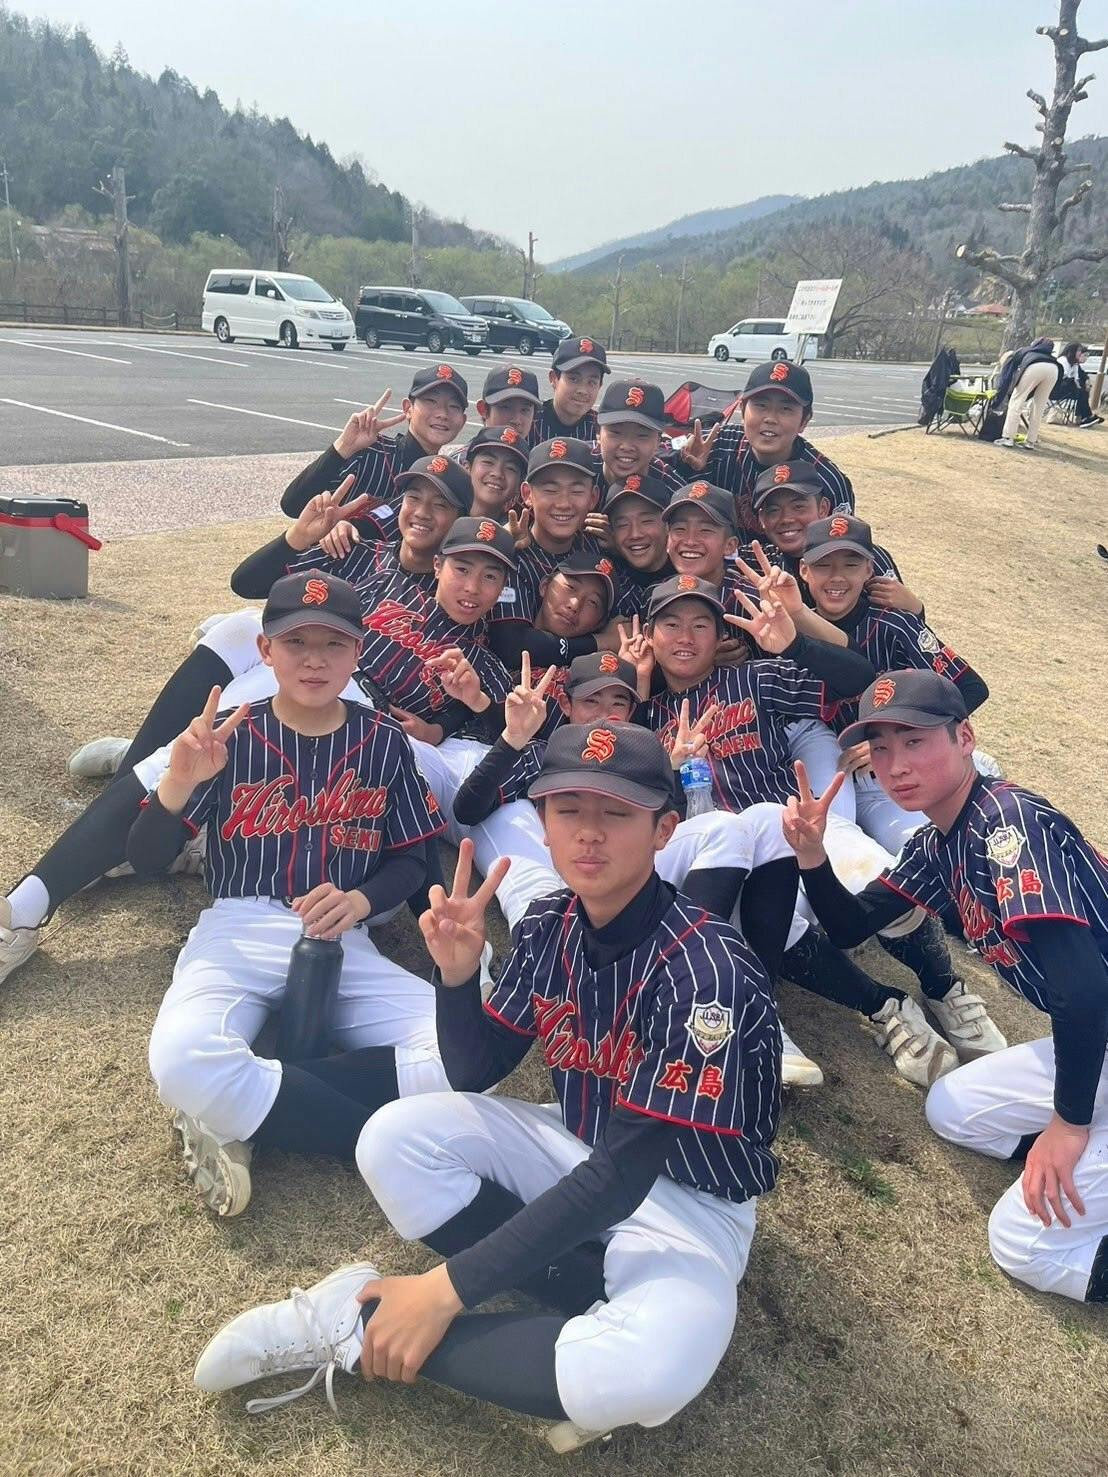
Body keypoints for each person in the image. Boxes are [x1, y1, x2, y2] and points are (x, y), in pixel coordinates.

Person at [193, 725, 783, 1451]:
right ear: (543, 823)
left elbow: (623, 1176)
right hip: (576, 1143)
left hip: (693, 1203)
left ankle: (353, 1322)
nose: (589, 831)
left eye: (617, 812)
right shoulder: (549, 924)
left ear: (665, 829)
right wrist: (457, 975)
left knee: (648, 1375)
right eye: (569, 809)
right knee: (390, 1138)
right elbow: (474, 1071)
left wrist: (443, 1290)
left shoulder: (707, 972)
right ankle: (585, 1301)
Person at [780, 669, 1108, 1305]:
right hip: (1098, 1036)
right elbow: (850, 926)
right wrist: (812, 856)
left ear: (965, 738)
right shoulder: (939, 842)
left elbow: (1084, 991)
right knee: (955, 1108)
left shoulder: (1009, 824)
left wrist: (1068, 1126)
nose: (896, 765)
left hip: (1096, 1016)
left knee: (1022, 1245)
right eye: (880, 749)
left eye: (915, 741)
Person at [131, 572, 448, 1216]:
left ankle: (237, 1108)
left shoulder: (384, 741)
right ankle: (342, 1129)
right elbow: (146, 858)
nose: (314, 660)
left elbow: (413, 858)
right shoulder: (227, 735)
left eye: (333, 643)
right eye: (295, 641)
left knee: (464, 1055)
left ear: (357, 653)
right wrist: (176, 787)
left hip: (342, 939)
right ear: (266, 651)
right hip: (238, 928)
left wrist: (361, 902)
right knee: (182, 1059)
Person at [674, 361, 854, 548]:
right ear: (742, 409)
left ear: (804, 421)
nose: (770, 418)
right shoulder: (715, 445)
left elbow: (844, 551)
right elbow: (658, 462)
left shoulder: (828, 481)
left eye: (785, 409)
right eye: (761, 405)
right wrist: (683, 462)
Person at [280, 365, 469, 521]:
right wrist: (343, 447)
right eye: (431, 401)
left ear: (463, 420)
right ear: (408, 409)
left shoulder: (446, 478)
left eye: (453, 406)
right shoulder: (369, 452)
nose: (443, 413)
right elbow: (293, 505)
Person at [531, 336, 609, 443]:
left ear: (600, 385)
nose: (582, 390)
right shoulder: (528, 423)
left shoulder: (604, 431)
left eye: (591, 382)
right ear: (554, 378)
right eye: (574, 379)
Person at [996, 337, 1061, 451]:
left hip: (1034, 367)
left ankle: (1008, 437)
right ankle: (1031, 441)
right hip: (1054, 369)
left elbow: (1008, 373)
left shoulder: (1025, 351)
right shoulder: (1050, 356)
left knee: (1016, 402)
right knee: (1039, 407)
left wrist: (1001, 391)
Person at [1050, 342, 1102, 428]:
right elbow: (1063, 377)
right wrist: (1078, 387)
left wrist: (1083, 385)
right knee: (1080, 391)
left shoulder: (1074, 364)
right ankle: (1086, 417)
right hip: (1056, 390)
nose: (1080, 353)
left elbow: (1076, 379)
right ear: (1072, 351)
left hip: (1067, 390)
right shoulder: (1063, 360)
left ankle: (1086, 417)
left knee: (1082, 391)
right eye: (1079, 351)